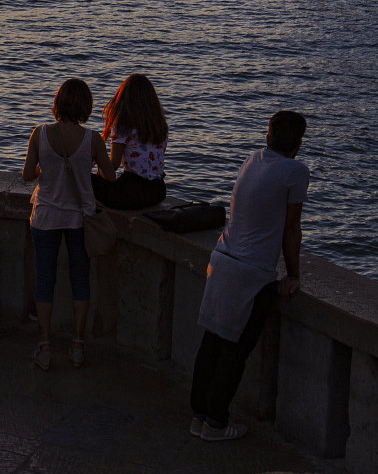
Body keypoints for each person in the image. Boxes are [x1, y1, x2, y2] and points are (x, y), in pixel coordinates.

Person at [190, 110, 308, 442]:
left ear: (268, 136)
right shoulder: (295, 171)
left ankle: (198, 416)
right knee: (235, 351)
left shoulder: (253, 159)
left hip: (223, 259)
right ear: (298, 144)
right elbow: (291, 228)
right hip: (250, 272)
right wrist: (294, 275)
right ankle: (215, 423)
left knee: (213, 341)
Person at [21, 78, 115, 370]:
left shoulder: (40, 134)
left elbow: (27, 175)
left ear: (57, 104)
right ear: (85, 107)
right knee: (79, 280)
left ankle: (45, 346)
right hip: (79, 219)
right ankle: (77, 345)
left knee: (45, 281)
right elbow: (110, 177)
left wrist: (45, 167)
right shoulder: (93, 140)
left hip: (46, 217)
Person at [93, 73, 170, 211]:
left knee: (82, 179)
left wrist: (97, 166)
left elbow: (112, 166)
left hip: (132, 193)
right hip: (158, 190)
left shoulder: (123, 126)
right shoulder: (160, 125)